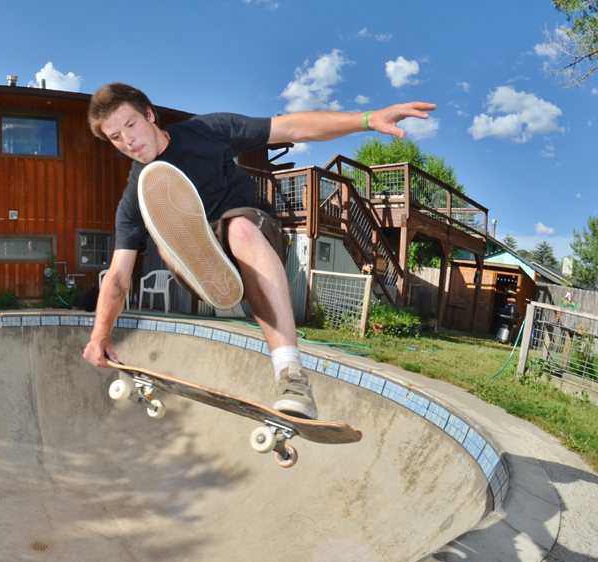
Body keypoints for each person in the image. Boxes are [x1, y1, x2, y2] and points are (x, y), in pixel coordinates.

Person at [83, 82, 436, 419]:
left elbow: (292, 128)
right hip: (203, 269)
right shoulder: (136, 198)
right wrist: (101, 332)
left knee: (239, 228)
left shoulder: (208, 130)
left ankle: (291, 375)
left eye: (131, 125)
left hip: (255, 235)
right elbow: (118, 274)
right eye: (115, 137)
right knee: (160, 221)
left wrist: (367, 119)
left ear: (149, 114)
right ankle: (187, 249)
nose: (128, 141)